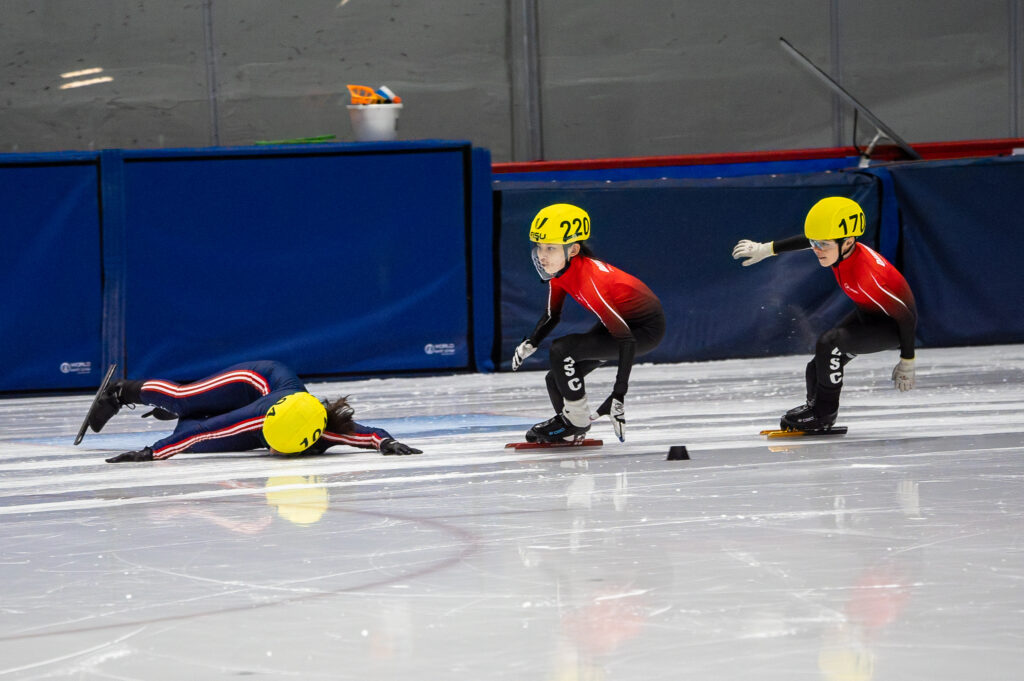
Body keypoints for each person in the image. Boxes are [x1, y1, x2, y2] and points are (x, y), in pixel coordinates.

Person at [731, 196, 917, 431]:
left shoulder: (869, 275)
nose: (817, 250)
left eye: (823, 245)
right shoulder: (839, 247)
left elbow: (906, 317)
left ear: (848, 242)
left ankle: (824, 414)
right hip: (867, 315)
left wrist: (907, 361)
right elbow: (810, 241)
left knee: (830, 343)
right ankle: (815, 407)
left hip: (890, 328)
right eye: (815, 243)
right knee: (817, 365)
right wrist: (765, 249)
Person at [511, 203, 665, 443]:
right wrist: (531, 343)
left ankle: (576, 421)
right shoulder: (560, 272)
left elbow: (626, 339)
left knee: (563, 349)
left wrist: (618, 394)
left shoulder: (591, 280)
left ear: (572, 250)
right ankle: (571, 425)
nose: (542, 255)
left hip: (643, 330)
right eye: (540, 247)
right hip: (622, 323)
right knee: (554, 378)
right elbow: (553, 315)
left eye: (550, 248)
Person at [86, 360, 422, 462]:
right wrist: (149, 453)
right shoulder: (261, 416)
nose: (271, 451)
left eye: (274, 447)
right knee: (183, 399)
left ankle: (200, 408)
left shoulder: (322, 431)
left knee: (185, 431)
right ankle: (119, 392)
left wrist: (386, 443)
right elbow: (207, 431)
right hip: (256, 381)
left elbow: (366, 434)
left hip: (262, 411)